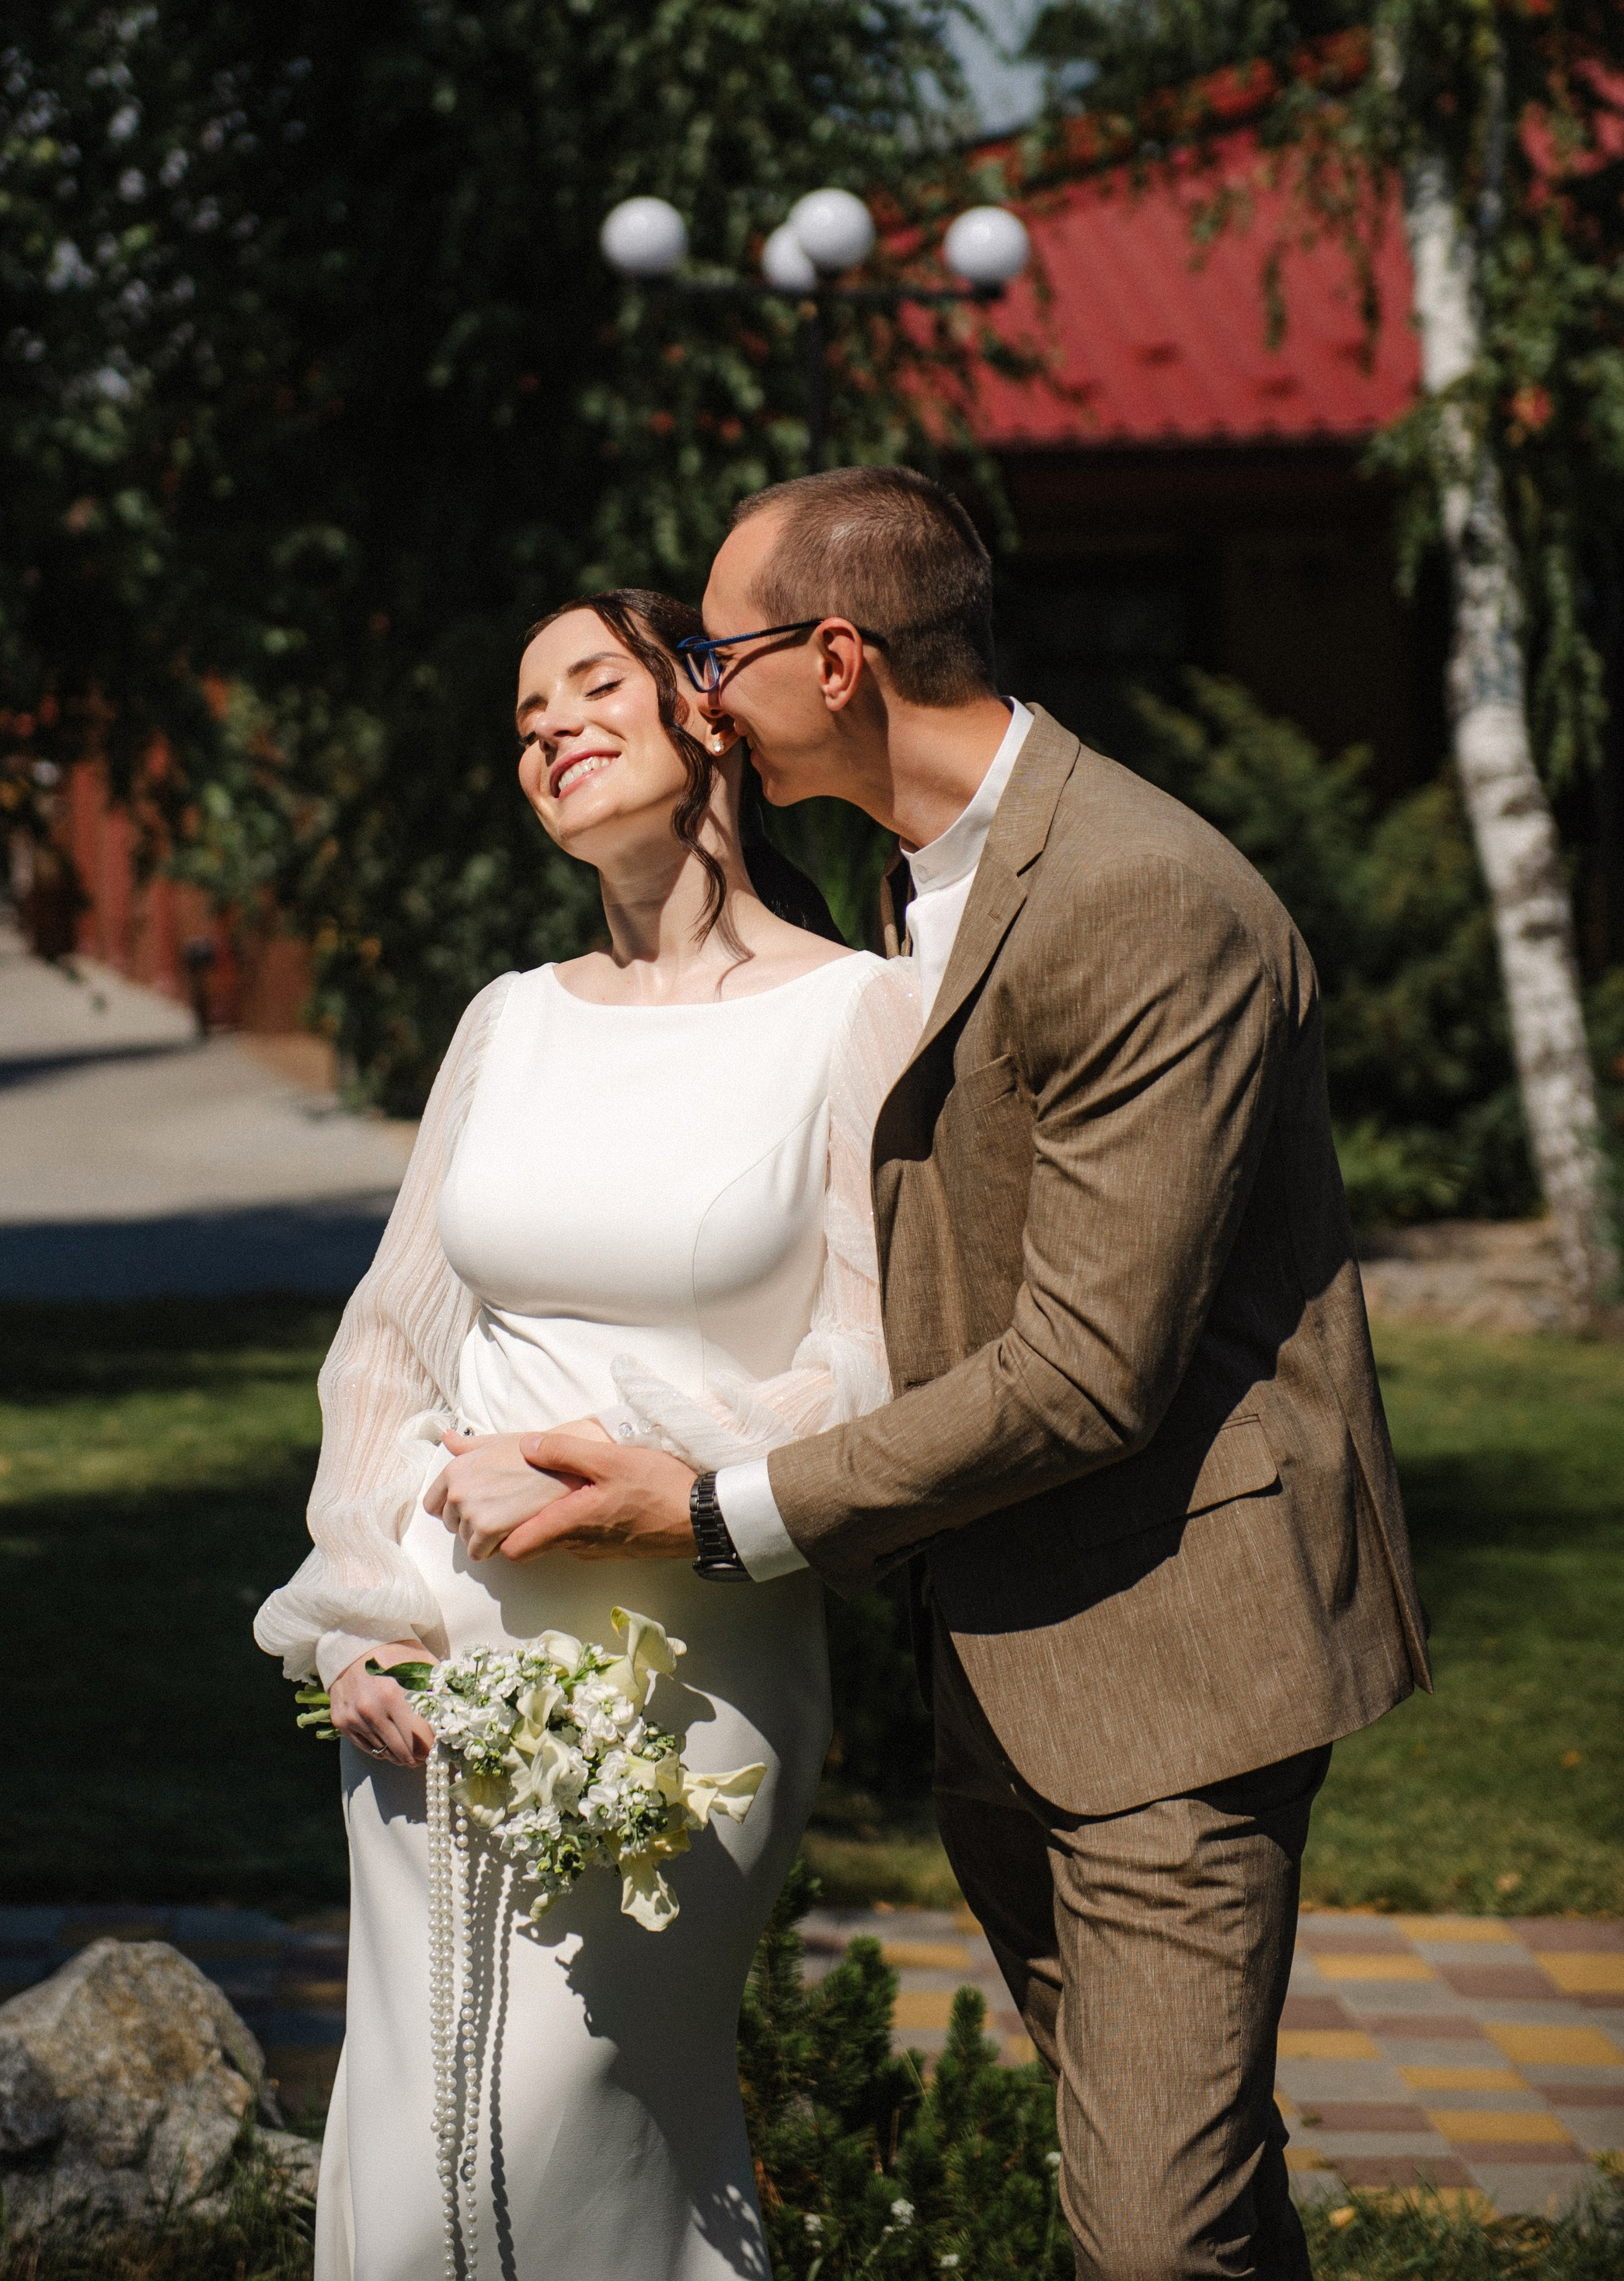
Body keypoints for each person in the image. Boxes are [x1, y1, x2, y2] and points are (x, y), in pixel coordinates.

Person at [497, 469, 1431, 2281]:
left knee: (1150, 2240)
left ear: (834, 659)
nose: (698, 692)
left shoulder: (1140, 894)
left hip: (1182, 1654)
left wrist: (714, 1512)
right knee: (1187, 2192)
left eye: (715, 651)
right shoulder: (920, 879)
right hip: (1008, 1639)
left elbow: (1087, 1370)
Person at [253, 586, 920, 2281]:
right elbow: (393, 1342)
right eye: (523, 709)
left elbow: (875, 1358)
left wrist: (631, 1460)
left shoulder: (856, 1011)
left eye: (587, 685)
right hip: (437, 1646)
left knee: (581, 2132)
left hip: (682, 1655)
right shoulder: (508, 1017)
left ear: (707, 707)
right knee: (417, 2164)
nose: (546, 724)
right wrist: (359, 1611)